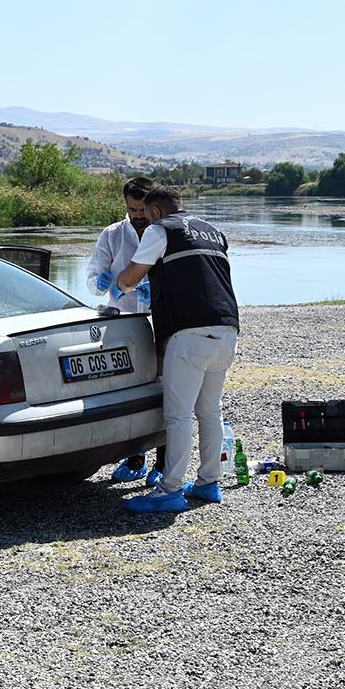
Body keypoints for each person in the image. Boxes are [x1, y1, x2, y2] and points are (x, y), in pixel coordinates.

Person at [113, 186, 239, 514]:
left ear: (155, 211)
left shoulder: (160, 229)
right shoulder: (212, 231)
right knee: (210, 410)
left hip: (190, 331)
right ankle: (208, 483)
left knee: (179, 414)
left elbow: (131, 275)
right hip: (226, 328)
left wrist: (122, 285)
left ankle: (169, 491)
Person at [89, 176, 160, 484]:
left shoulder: (162, 234)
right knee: (126, 393)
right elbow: (92, 279)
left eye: (142, 209)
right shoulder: (112, 235)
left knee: (160, 389)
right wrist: (100, 282)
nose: (138, 215)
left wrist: (153, 294)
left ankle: (163, 463)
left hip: (156, 321)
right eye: (133, 209)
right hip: (120, 324)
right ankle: (135, 459)